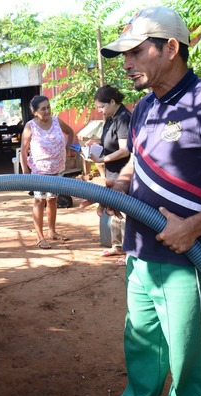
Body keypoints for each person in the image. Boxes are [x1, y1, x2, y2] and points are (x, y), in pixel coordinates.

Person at [99, 6, 201, 396]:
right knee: (142, 358)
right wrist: (120, 184)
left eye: (136, 52)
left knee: (188, 372)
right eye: (123, 55)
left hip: (188, 265)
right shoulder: (145, 108)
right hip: (139, 256)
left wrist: (193, 227)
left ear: (171, 48)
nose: (126, 63)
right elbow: (137, 159)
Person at [20, 95, 74, 249]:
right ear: (34, 111)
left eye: (48, 107)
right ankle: (40, 237)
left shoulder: (57, 121)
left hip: (57, 168)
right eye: (43, 108)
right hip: (39, 170)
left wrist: (67, 148)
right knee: (40, 201)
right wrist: (25, 171)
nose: (47, 111)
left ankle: (52, 232)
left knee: (52, 200)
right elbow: (23, 151)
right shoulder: (30, 126)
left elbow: (70, 132)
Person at [87, 85, 131, 264]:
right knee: (114, 210)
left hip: (124, 173)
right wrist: (95, 143)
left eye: (102, 106)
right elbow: (110, 141)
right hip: (113, 173)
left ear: (113, 101)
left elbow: (125, 150)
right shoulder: (111, 118)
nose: (99, 110)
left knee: (127, 212)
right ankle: (117, 246)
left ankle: (130, 251)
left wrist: (102, 160)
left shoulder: (123, 118)